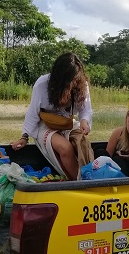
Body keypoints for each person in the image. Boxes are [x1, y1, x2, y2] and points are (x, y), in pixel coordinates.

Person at [11, 53, 92, 181]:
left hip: (67, 123)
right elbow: (33, 112)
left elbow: (86, 109)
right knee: (65, 148)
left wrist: (84, 121)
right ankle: (78, 183)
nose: (71, 83)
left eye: (74, 79)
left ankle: (90, 178)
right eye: (69, 80)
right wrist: (24, 137)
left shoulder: (81, 85)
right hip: (45, 124)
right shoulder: (42, 85)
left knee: (83, 143)